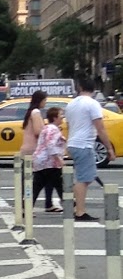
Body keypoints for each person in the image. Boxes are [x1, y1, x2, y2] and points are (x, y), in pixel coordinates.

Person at [66, 73, 115, 222]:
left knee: (85, 176)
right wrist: (109, 149)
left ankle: (76, 207)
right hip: (84, 144)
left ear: (79, 88)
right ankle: (80, 211)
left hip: (74, 143)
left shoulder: (71, 104)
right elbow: (100, 128)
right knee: (84, 178)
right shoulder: (92, 104)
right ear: (94, 89)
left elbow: (69, 126)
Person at [32, 107, 66, 213]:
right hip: (49, 162)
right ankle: (72, 206)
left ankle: (26, 207)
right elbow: (50, 144)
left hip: (41, 161)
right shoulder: (53, 129)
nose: (62, 118)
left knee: (38, 185)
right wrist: (58, 159)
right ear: (55, 117)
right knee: (60, 185)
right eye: (61, 116)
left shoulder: (47, 128)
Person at [20, 89, 46, 158]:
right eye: (44, 100)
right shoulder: (36, 112)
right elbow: (37, 131)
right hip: (33, 149)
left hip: (28, 148)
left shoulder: (31, 112)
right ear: (39, 101)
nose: (45, 102)